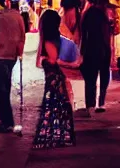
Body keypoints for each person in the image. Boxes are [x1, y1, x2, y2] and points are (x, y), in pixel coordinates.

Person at [32, 11, 77, 149]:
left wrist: (45, 59)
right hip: (55, 78)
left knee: (53, 106)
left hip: (54, 78)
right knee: (58, 106)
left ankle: (54, 136)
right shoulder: (56, 38)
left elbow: (53, 59)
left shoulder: (49, 41)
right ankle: (60, 135)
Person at [0, 0, 25, 133]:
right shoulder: (16, 15)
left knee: (0, 91)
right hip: (12, 56)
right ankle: (6, 120)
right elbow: (22, 36)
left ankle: (7, 122)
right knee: (5, 87)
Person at [79, 0, 112, 116]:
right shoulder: (99, 15)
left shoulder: (88, 14)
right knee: (102, 77)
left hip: (91, 50)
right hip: (100, 49)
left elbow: (85, 34)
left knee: (91, 79)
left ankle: (91, 104)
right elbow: (103, 34)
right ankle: (99, 103)